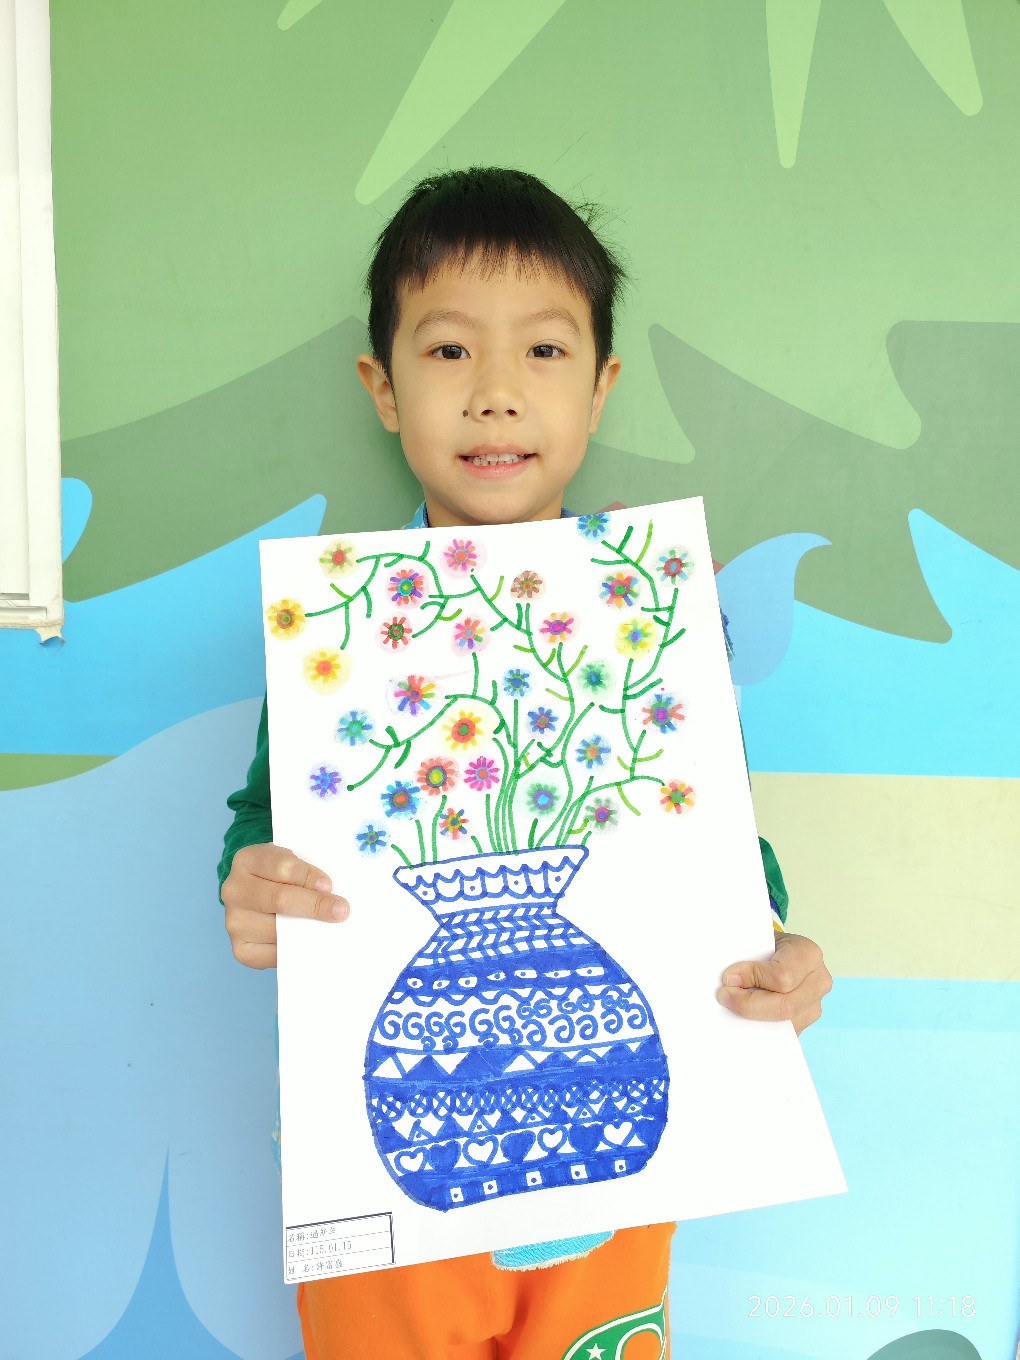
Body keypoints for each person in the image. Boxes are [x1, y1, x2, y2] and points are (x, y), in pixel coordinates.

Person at [219, 167, 832, 1360]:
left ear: (600, 389)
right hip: (385, 1164)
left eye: (544, 352)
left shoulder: (656, 616)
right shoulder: (337, 628)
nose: (496, 392)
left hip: (615, 1151)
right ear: (382, 388)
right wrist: (252, 881)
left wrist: (775, 947)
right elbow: (262, 818)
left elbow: (720, 839)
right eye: (449, 351)